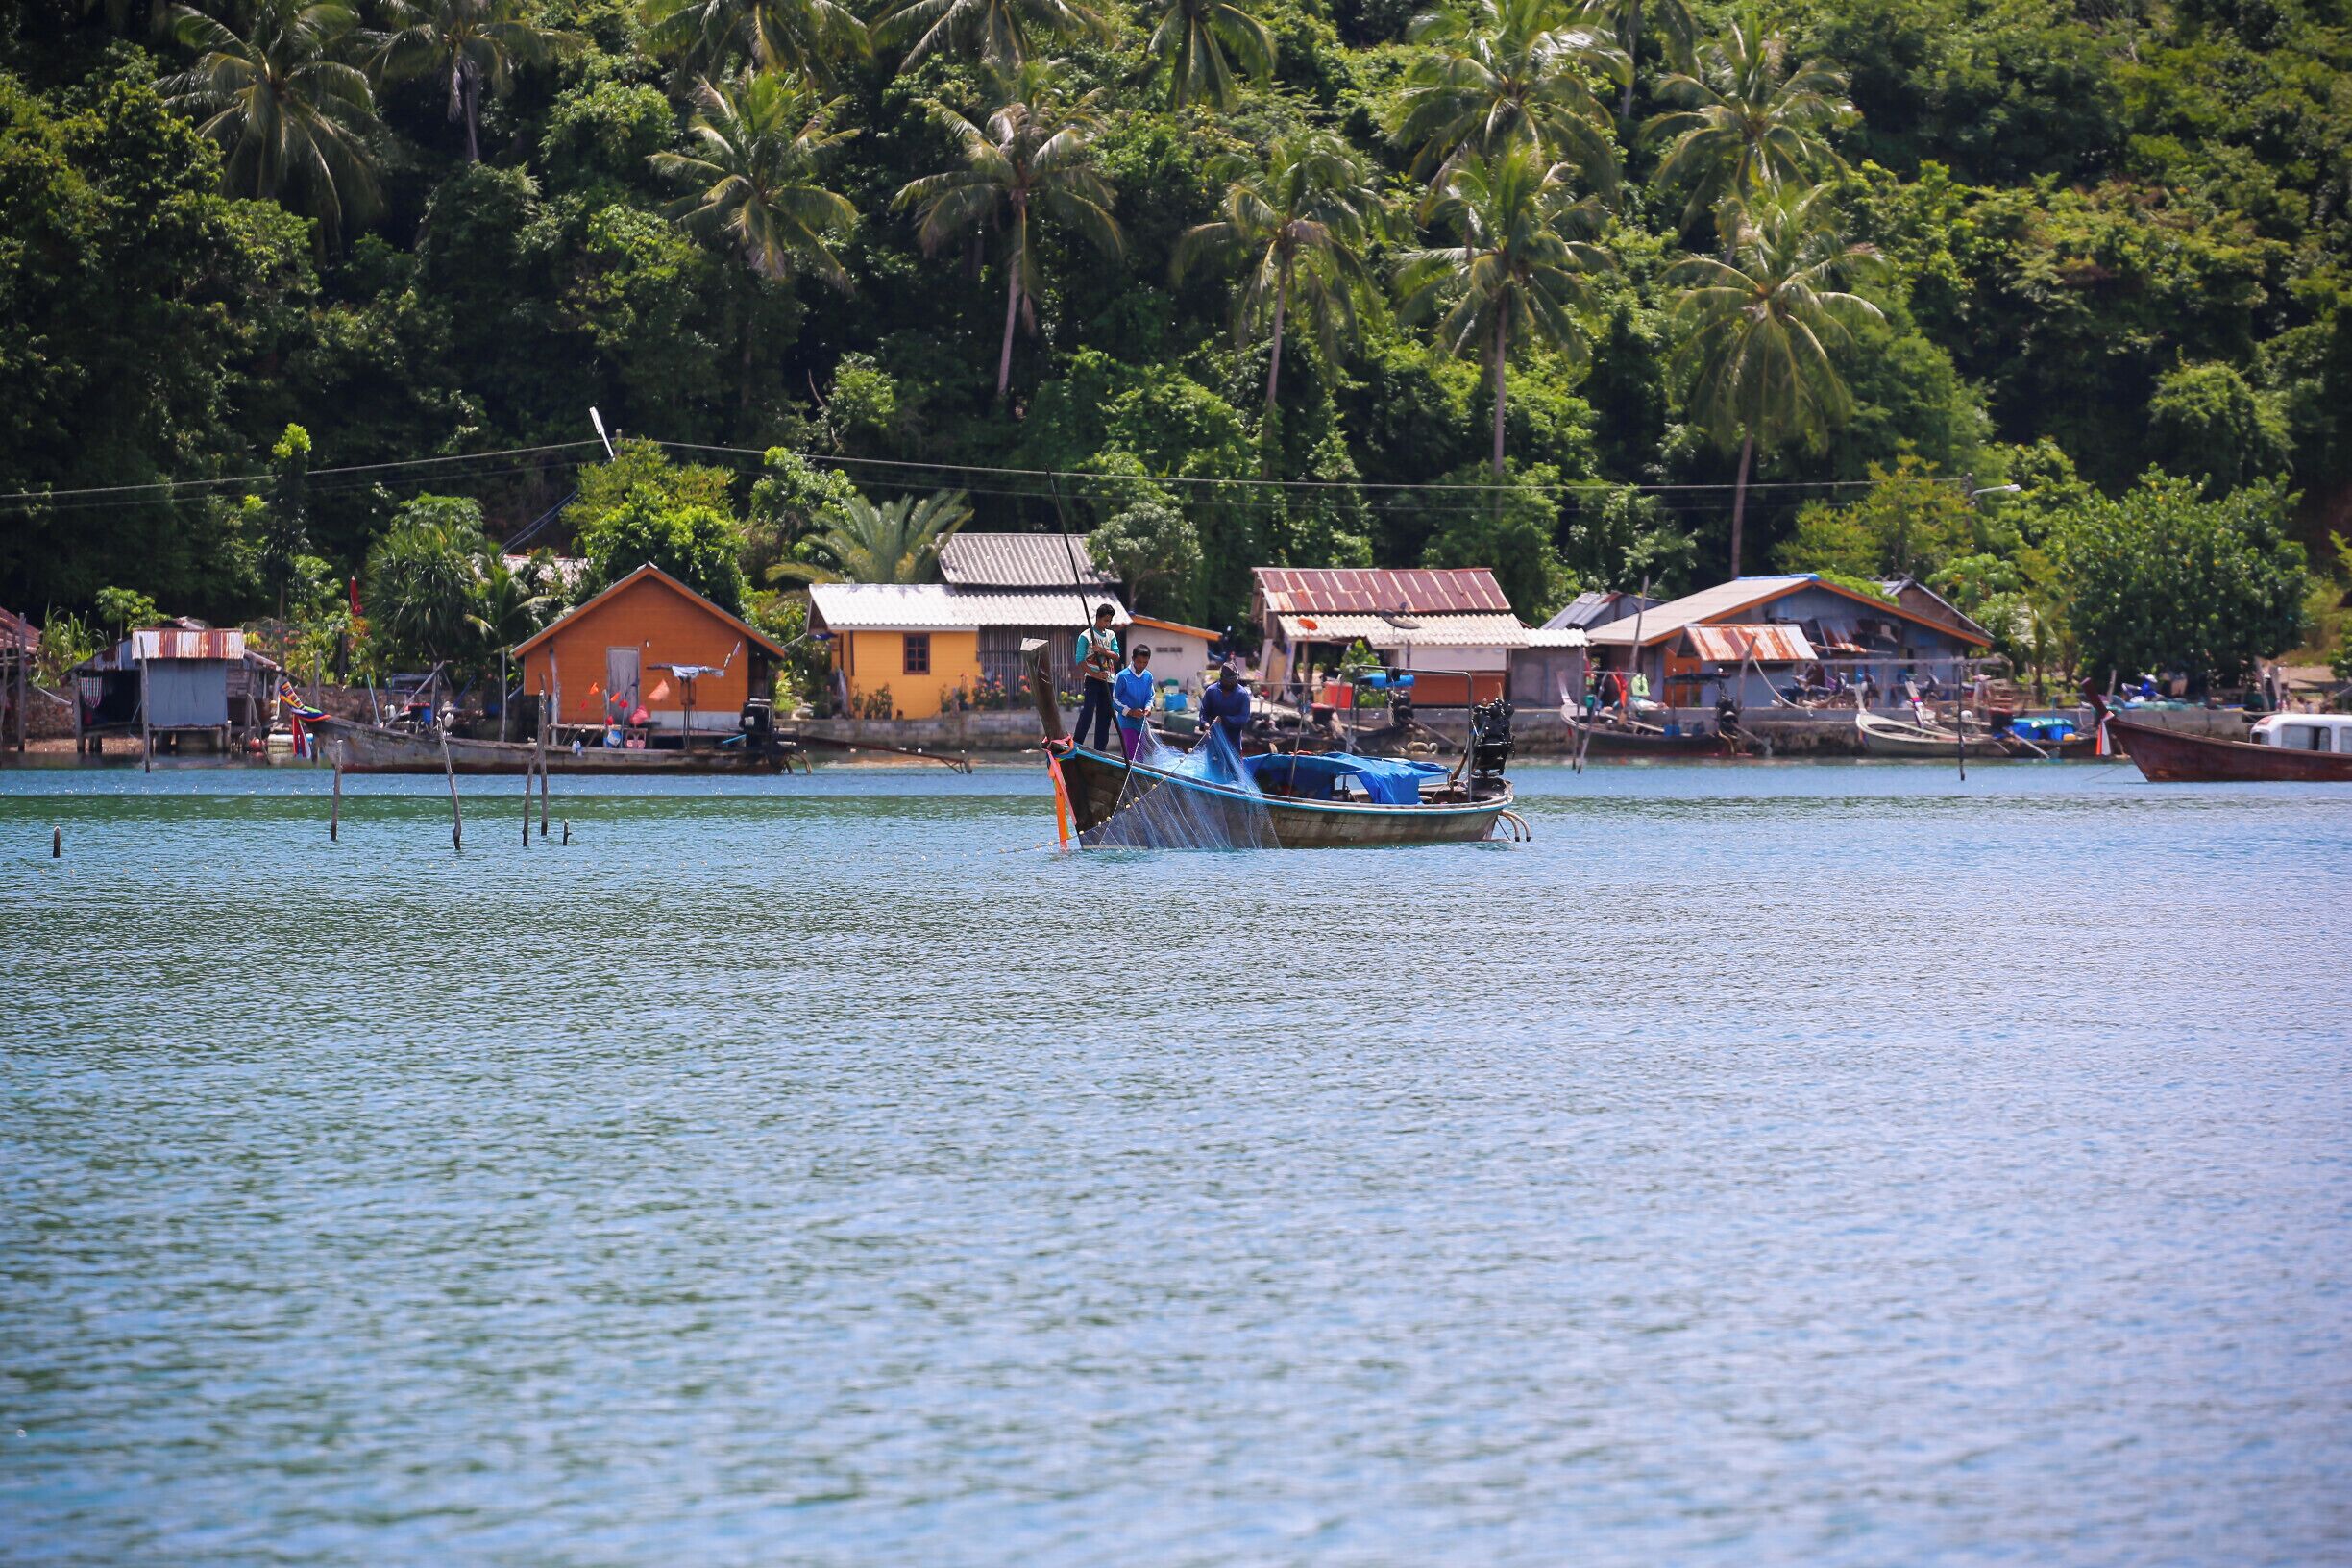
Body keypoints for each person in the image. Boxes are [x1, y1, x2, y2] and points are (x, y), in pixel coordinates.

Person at [1069, 603, 1120, 749]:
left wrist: (1102, 651)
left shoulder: (1111, 636)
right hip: (1092, 679)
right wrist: (1095, 674)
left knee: (1105, 715)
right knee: (1088, 710)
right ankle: (1077, 743)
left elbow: (1116, 656)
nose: (1107, 624)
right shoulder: (1085, 636)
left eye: (1109, 621)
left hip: (1108, 680)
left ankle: (1100, 750)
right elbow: (1080, 660)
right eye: (1105, 620)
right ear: (1098, 618)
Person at [1114, 644, 1155, 759]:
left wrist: (1148, 707)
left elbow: (1150, 696)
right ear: (1132, 659)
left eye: (1145, 662)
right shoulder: (1122, 676)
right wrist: (1130, 712)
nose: (1142, 665)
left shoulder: (1148, 676)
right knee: (1130, 755)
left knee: (1142, 757)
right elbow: (1114, 700)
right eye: (1139, 661)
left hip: (1141, 723)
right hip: (1126, 722)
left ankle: (1136, 777)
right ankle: (1128, 777)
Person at [1199, 663, 1251, 750]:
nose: (1230, 683)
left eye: (1233, 680)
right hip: (1213, 739)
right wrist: (1205, 724)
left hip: (1233, 741)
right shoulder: (1211, 691)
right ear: (1221, 678)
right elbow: (1204, 711)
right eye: (1228, 681)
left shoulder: (1243, 694)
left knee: (1232, 763)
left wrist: (1225, 719)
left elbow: (1244, 717)